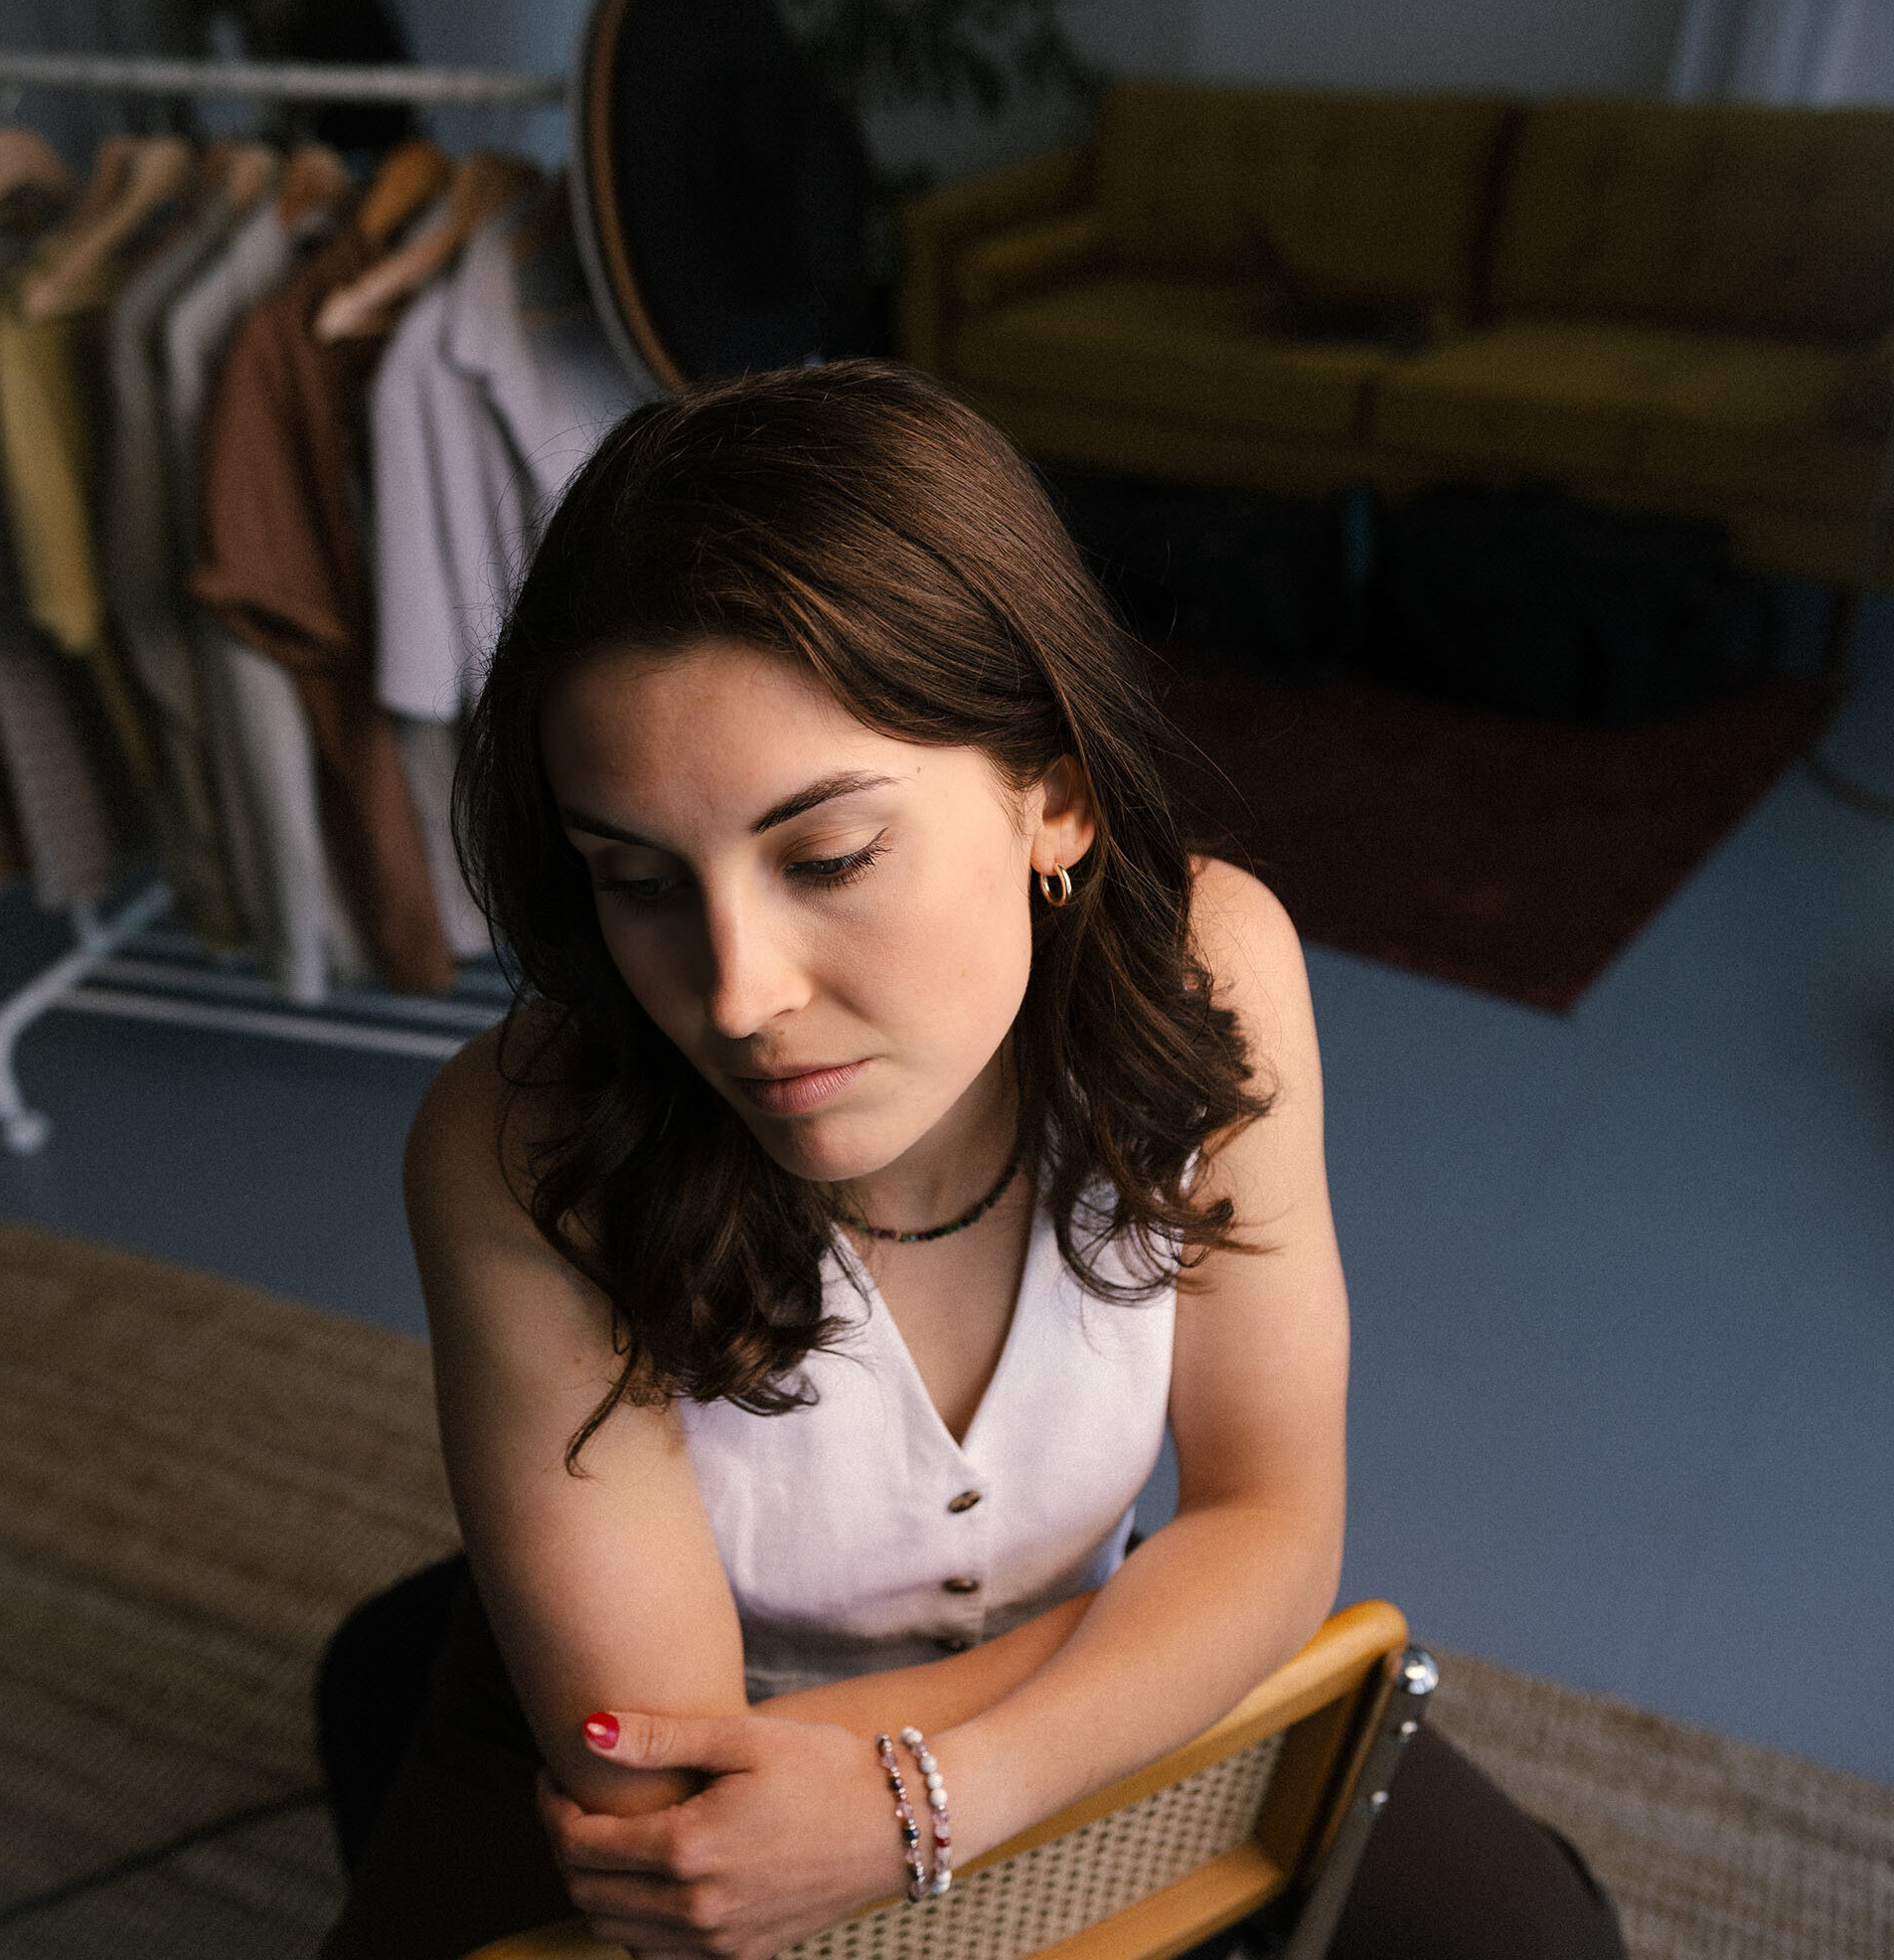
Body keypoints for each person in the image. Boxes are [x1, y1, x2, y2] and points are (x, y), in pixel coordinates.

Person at [317, 361, 1625, 1960]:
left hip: (994, 1735)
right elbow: (673, 1801)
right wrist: (1149, 1636)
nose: (736, 997)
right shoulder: (514, 1145)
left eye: (832, 856)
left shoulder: (1212, 968)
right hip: (653, 1802)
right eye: (638, 880)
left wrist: (932, 1796)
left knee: (1542, 1938)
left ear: (1053, 801)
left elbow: (1276, 1522)